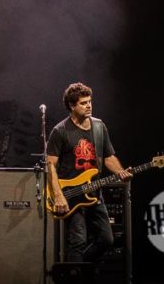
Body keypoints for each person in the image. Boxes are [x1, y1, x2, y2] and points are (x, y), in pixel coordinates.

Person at [46, 82, 132, 263]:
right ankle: (76, 271)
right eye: (83, 103)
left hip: (94, 193)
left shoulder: (99, 127)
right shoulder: (60, 131)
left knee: (106, 240)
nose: (89, 106)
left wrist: (121, 172)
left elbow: (108, 157)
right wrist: (58, 195)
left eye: (89, 101)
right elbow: (50, 165)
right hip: (70, 195)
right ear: (72, 106)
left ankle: (77, 269)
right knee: (78, 241)